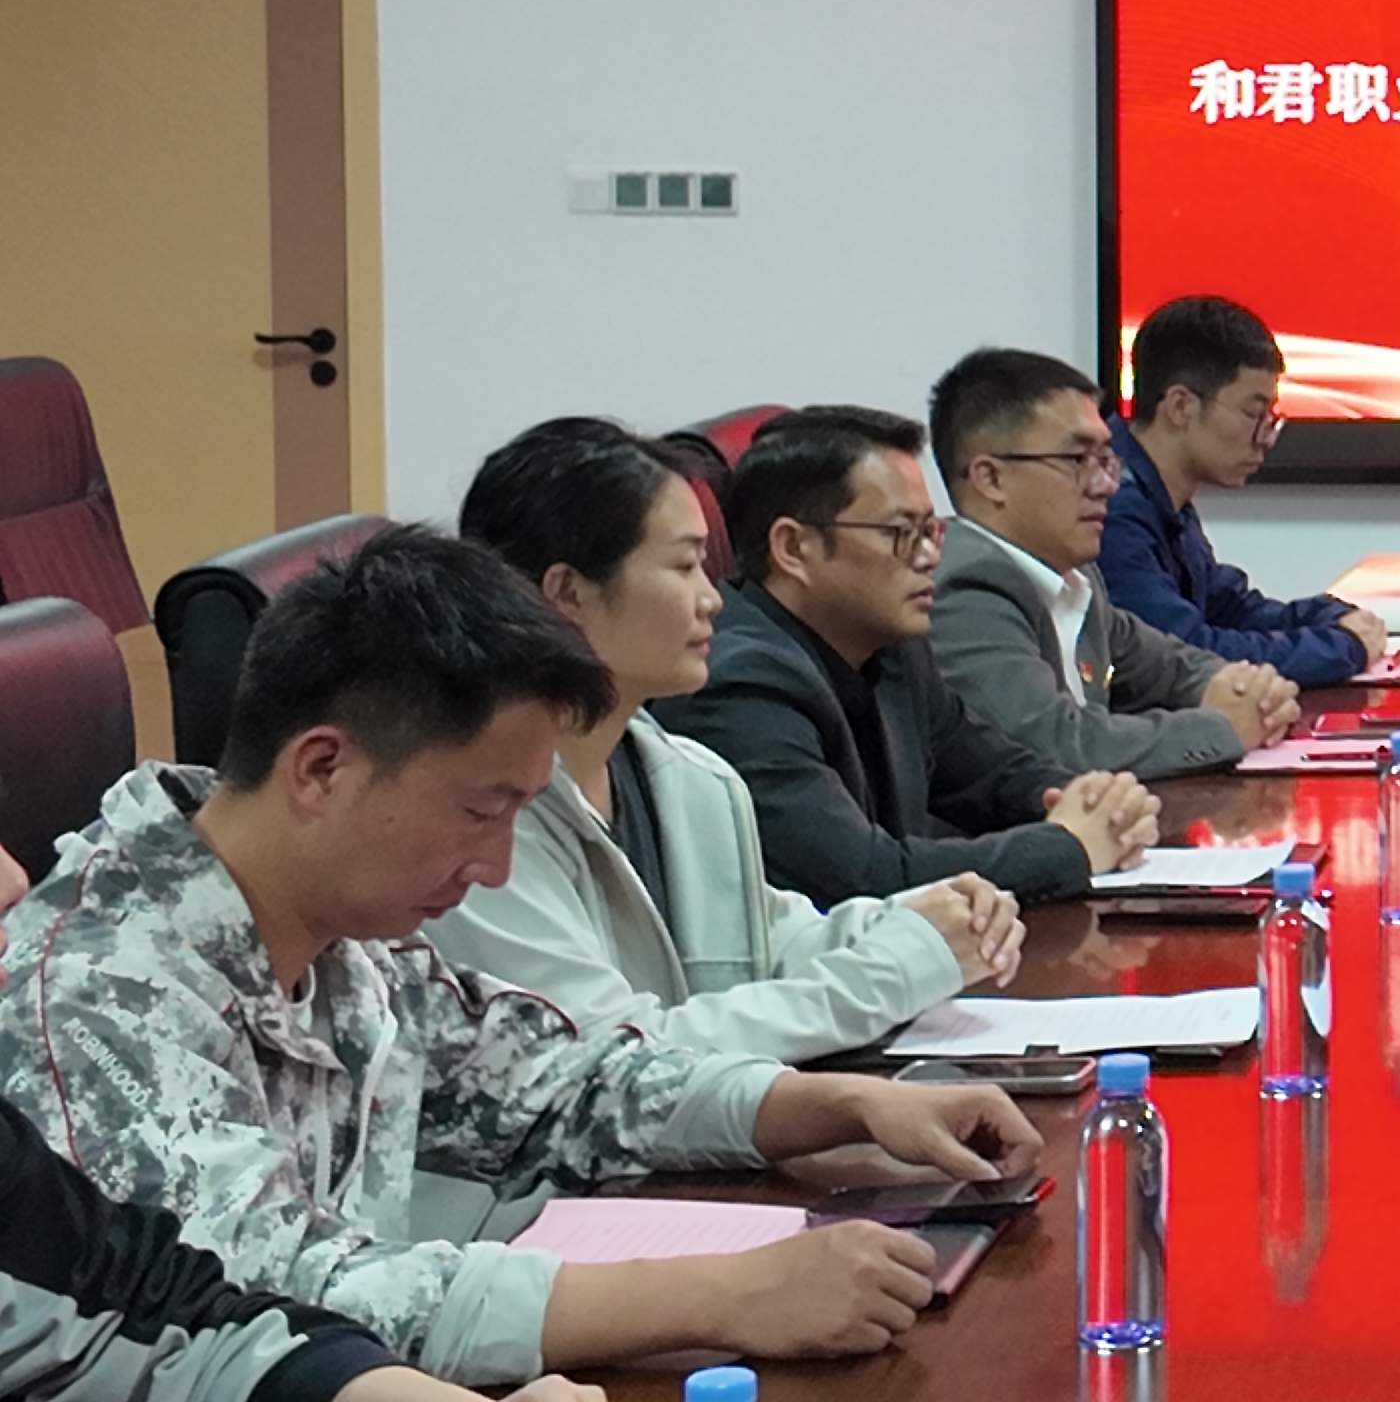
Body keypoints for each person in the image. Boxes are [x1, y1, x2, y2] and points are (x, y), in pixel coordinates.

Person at [0, 529, 1046, 1385]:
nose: (496, 865)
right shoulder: (97, 990)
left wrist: (831, 1106)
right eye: (481, 810)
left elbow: (558, 1085)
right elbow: (260, 1306)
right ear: (321, 768)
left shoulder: (336, 927)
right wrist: (726, 1293)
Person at [415, 418, 1019, 1234]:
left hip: (691, 1188)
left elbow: (771, 943)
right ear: (566, 594)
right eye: (684, 566)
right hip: (536, 1230)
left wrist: (921, 920)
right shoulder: (480, 821)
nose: (712, 599)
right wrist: (904, 963)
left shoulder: (686, 776)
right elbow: (625, 1065)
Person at [0, 856, 615, 1402]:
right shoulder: (96, 976)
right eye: (481, 811)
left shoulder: (358, 953)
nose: (13, 879)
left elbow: (162, 1312)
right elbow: (284, 1279)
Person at [658, 408, 1157, 907]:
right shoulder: (737, 684)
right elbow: (863, 878)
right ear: (793, 547)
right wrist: (1069, 846)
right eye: (902, 533)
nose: (929, 557)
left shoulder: (892, 647)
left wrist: (1094, 804)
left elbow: (992, 773)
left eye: (931, 531)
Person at [925, 349, 1298, 777]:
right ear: (990, 478)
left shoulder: (1075, 576)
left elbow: (1168, 665)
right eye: (1077, 460)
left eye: (1105, 459)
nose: (1106, 486)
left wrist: (1242, 689)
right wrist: (1225, 728)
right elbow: (1058, 747)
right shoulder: (964, 588)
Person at [1101, 295, 1384, 685]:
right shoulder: (1110, 505)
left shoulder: (1163, 494)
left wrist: (1330, 616)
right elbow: (1187, 654)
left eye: (1271, 418)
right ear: (1180, 406)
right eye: (1253, 414)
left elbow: (1230, 610)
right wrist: (1341, 648)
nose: (1266, 438)